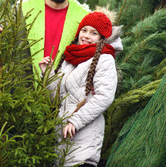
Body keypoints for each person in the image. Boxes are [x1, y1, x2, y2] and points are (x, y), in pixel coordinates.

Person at [39, 11, 121, 166]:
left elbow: (104, 97)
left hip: (84, 142)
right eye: (84, 30)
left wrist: (75, 121)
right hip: (60, 142)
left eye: (93, 33)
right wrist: (48, 74)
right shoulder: (70, 58)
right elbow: (56, 99)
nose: (86, 36)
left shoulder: (105, 59)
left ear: (102, 38)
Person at [21, 0, 91, 73]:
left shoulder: (84, 15)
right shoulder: (24, 8)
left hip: (64, 89)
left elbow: (103, 50)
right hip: (24, 88)